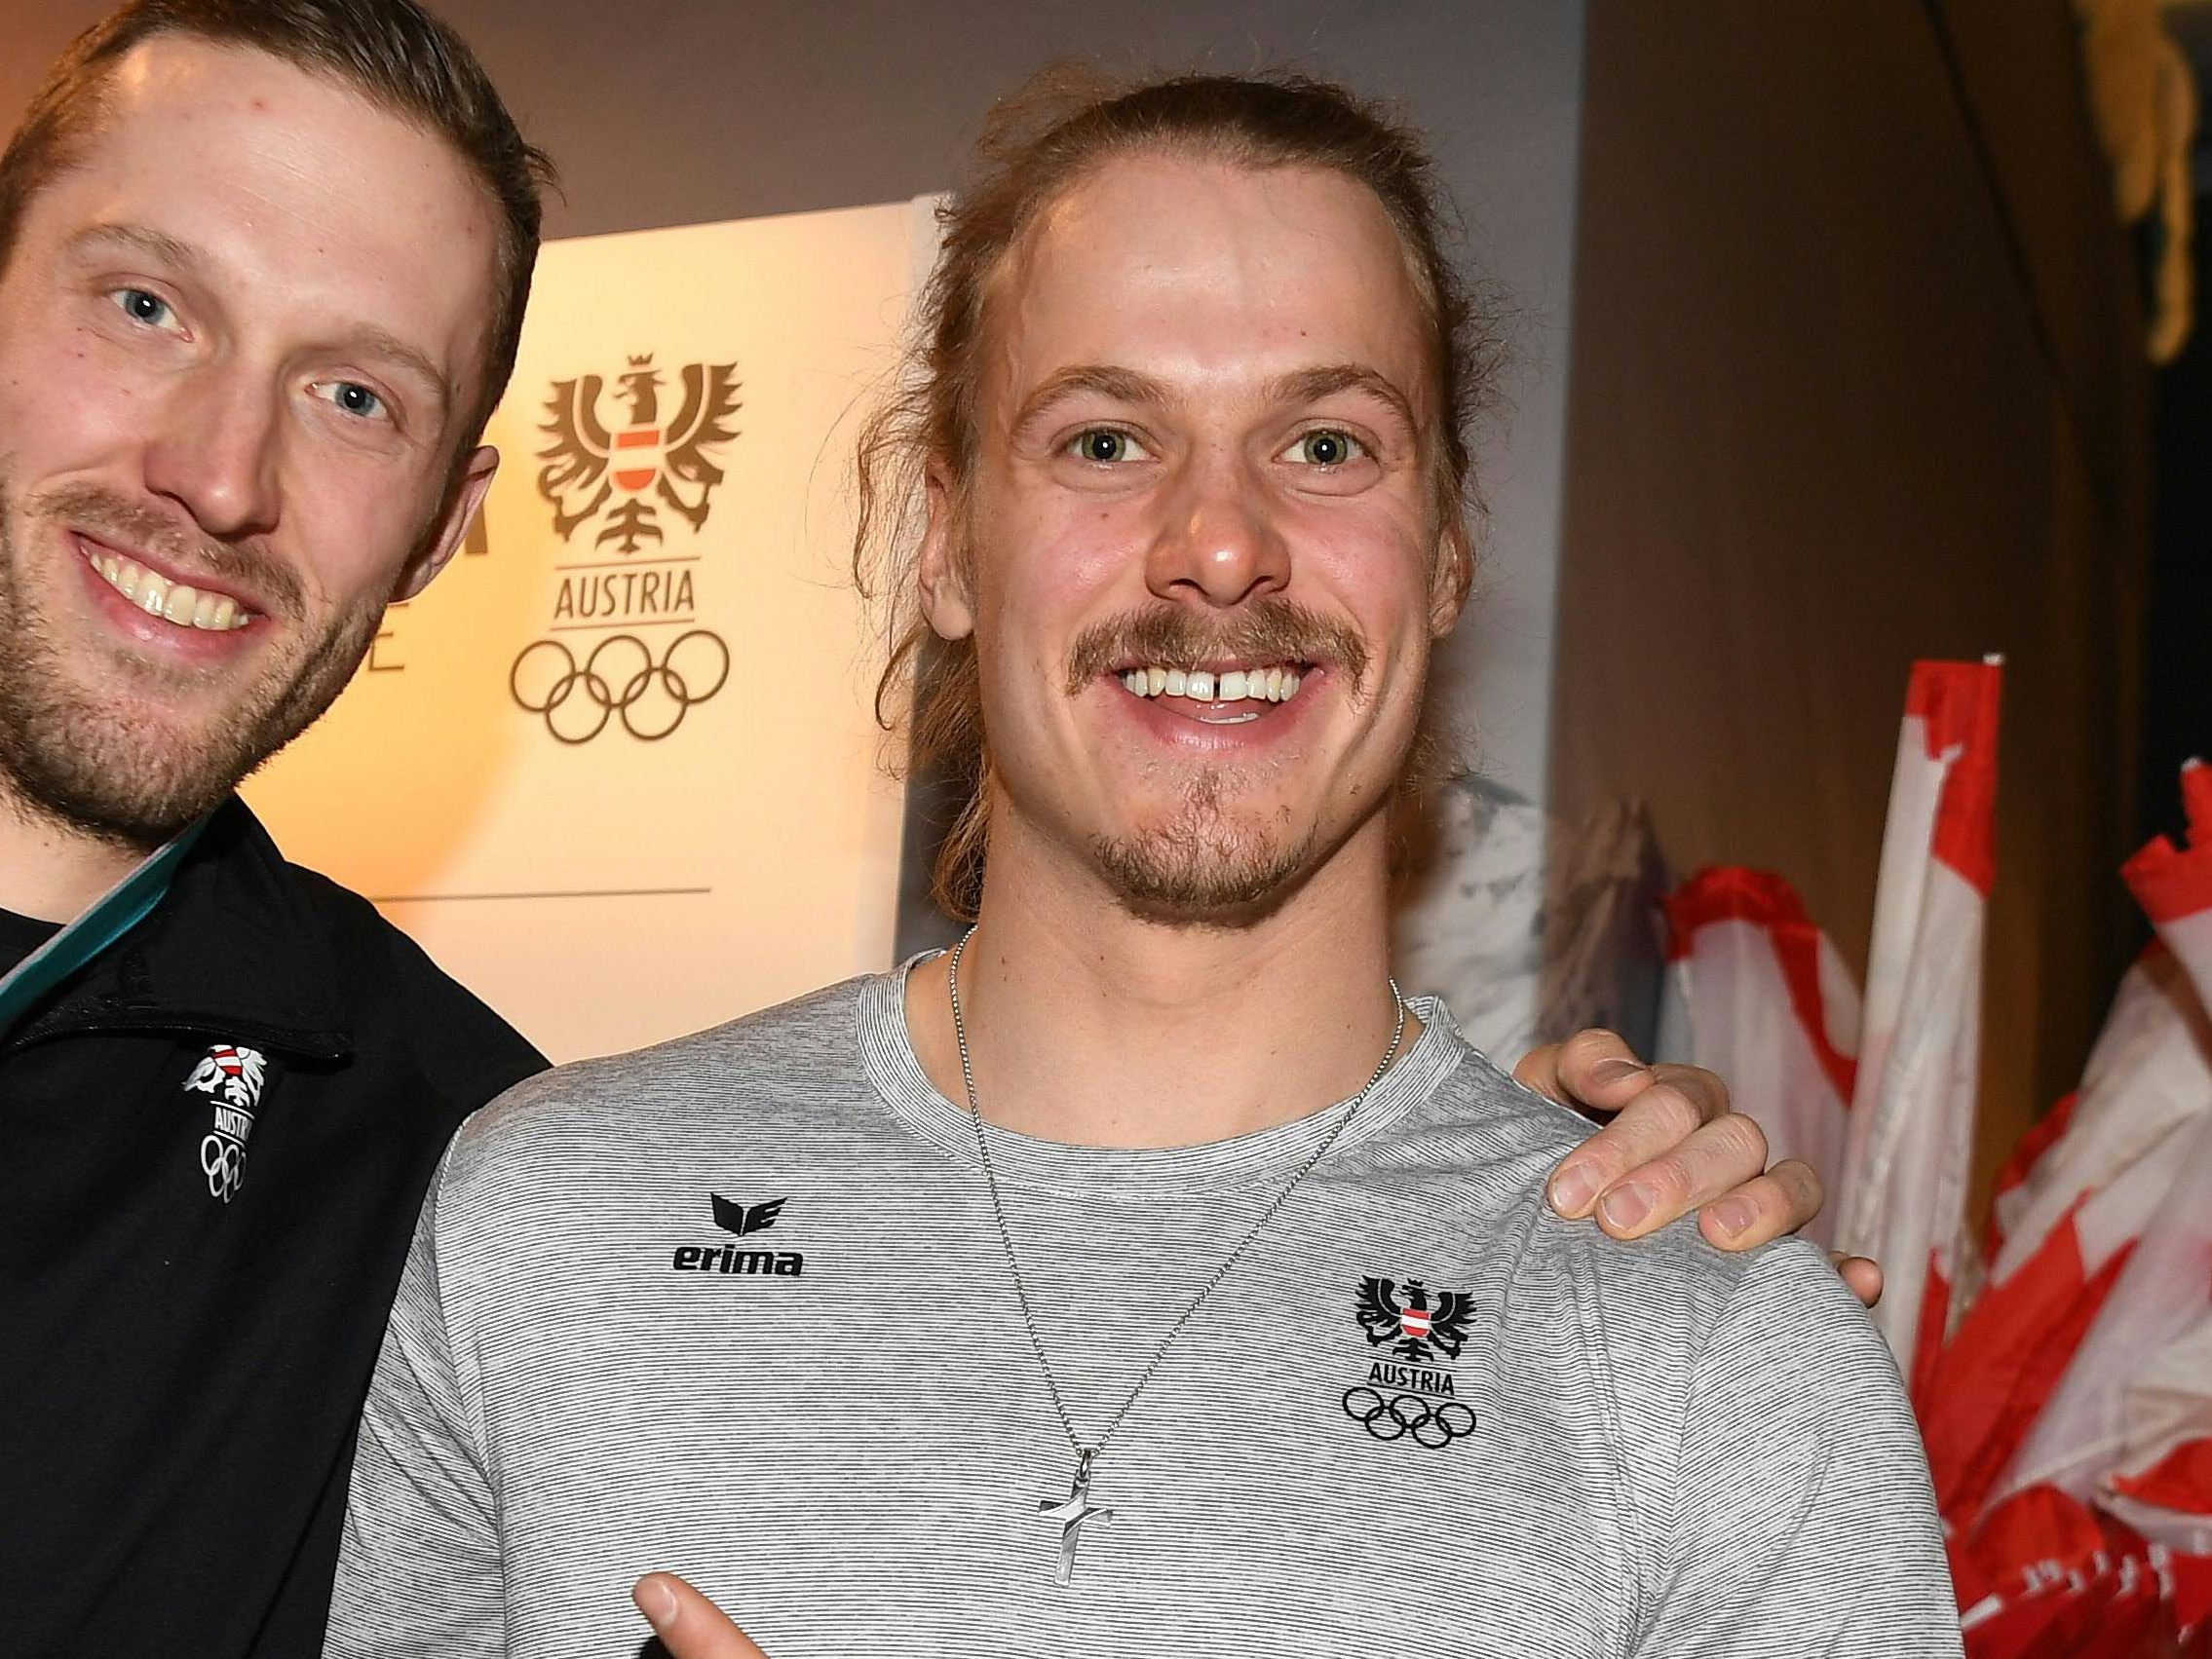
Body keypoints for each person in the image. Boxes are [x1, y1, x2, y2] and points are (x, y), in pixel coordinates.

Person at [0, 12, 1826, 1656]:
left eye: (1328, 445)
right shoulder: (531, 1203)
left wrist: (1662, 1289)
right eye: (144, 304)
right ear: (943, 541)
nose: (221, 473)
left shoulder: (436, 1157)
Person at [0, 4, 553, 1653]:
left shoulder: (468, 1192)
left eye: (358, 396)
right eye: (150, 305)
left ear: (445, 525)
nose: (222, 475)